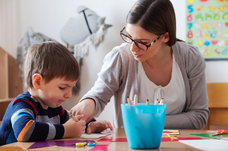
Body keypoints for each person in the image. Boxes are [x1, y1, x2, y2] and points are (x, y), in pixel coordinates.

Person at [71, 0, 210, 130]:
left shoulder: (190, 58)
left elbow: (199, 116)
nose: (132, 48)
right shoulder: (121, 57)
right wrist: (88, 103)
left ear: (166, 37)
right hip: (132, 144)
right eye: (129, 37)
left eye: (142, 42)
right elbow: (98, 96)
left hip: (179, 144)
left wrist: (146, 121)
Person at [0, 41, 112, 146]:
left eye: (71, 88)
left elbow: (73, 120)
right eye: (63, 87)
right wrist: (66, 130)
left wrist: (90, 125)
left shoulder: (54, 108)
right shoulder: (21, 104)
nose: (69, 95)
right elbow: (25, 131)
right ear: (38, 82)